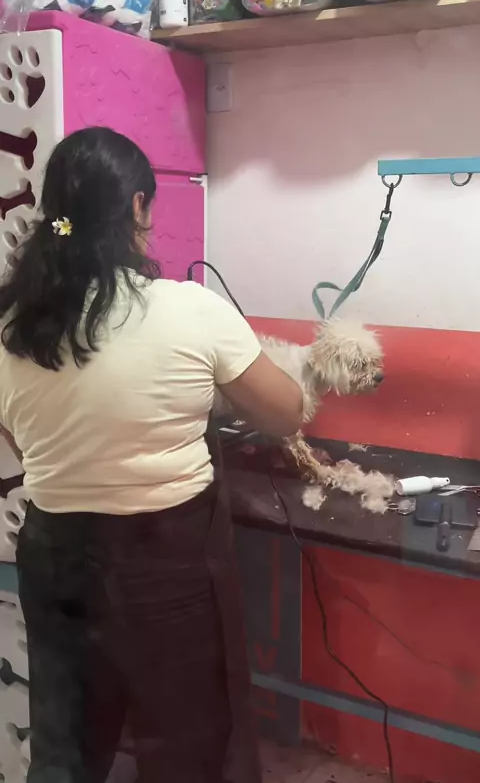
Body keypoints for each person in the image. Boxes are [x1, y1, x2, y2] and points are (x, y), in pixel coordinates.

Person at [0, 127, 303, 783]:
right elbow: (286, 413)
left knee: (66, 746)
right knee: (187, 745)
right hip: (166, 560)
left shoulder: (12, 321)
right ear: (138, 206)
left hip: (54, 555)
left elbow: (20, 438)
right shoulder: (190, 309)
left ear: (56, 214)